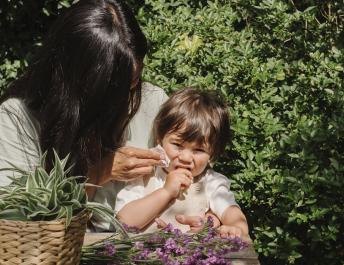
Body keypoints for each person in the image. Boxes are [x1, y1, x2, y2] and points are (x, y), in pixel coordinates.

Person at [0, 0, 215, 231]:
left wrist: (205, 215)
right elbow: (20, 228)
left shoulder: (153, 100)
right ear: (81, 81)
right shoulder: (18, 119)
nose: (133, 92)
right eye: (119, 86)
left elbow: (193, 179)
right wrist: (99, 173)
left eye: (136, 77)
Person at [116, 88, 249, 237]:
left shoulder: (211, 182)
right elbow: (123, 222)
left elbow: (232, 212)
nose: (186, 157)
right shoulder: (146, 174)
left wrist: (236, 227)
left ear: (212, 153)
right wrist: (166, 192)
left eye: (199, 150)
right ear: (160, 138)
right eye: (178, 145)